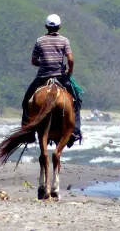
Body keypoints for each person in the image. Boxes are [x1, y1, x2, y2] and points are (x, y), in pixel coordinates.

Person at [20, 14, 83, 147]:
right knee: (76, 101)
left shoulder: (39, 41)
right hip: (60, 76)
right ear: (59, 27)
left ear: (46, 27)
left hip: (42, 78)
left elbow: (33, 61)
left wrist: (42, 64)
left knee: (26, 101)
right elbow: (70, 59)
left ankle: (27, 132)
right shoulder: (64, 41)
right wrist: (69, 72)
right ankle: (75, 131)